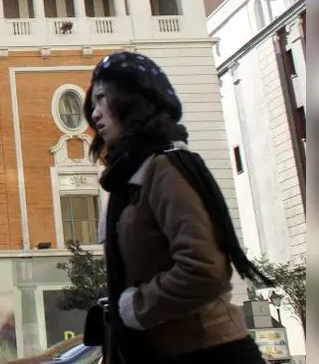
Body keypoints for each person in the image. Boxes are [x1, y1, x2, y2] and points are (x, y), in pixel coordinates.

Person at [84, 51, 271, 364]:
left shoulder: (165, 168)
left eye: (103, 99)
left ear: (133, 100)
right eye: (93, 104)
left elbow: (203, 269)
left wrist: (133, 307)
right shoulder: (128, 177)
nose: (95, 114)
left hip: (210, 352)